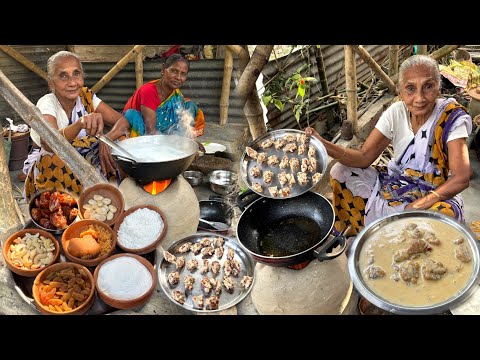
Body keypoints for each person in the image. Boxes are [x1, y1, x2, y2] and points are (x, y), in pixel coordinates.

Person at [306, 54, 472, 236]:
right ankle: (364, 233)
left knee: (445, 215)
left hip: (438, 190)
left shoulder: (450, 117)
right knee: (341, 172)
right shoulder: (395, 113)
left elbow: (461, 177)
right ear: (400, 91)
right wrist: (323, 144)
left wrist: (417, 206)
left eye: (428, 86)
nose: (419, 98)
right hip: (399, 182)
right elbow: (364, 157)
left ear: (439, 87)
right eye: (410, 88)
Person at [24, 50, 127, 200]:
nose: (72, 83)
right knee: (53, 159)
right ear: (51, 82)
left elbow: (122, 121)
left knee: (121, 140)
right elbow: (49, 143)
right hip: (52, 167)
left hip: (86, 158)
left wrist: (108, 139)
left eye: (76, 73)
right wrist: (80, 123)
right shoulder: (47, 103)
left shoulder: (86, 96)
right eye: (63, 76)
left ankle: (115, 191)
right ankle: (64, 205)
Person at [106, 53, 205, 140]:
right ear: (163, 69)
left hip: (164, 131)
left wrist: (186, 141)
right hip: (141, 128)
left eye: (183, 74)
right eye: (174, 71)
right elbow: (151, 130)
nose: (178, 77)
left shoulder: (176, 94)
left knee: (190, 105)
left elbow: (181, 116)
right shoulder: (149, 91)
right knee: (132, 115)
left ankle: (183, 139)